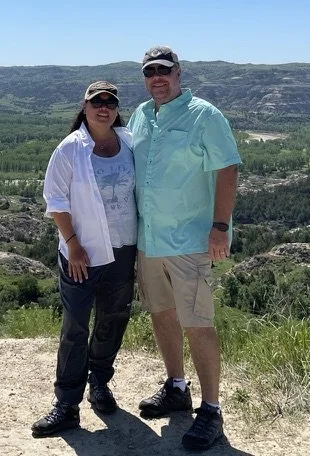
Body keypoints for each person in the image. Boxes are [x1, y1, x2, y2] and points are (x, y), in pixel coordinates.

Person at [127, 46, 242, 452]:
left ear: (179, 73)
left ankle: (211, 409)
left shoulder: (205, 116)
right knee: (161, 315)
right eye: (149, 72)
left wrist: (219, 228)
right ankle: (177, 387)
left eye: (164, 70)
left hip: (190, 240)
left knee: (198, 322)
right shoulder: (142, 115)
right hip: (150, 239)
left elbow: (227, 169)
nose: (157, 77)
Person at [31, 81, 138, 438]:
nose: (103, 107)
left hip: (123, 248)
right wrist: (73, 245)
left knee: (113, 319)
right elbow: (55, 200)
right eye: (97, 101)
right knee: (76, 327)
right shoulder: (70, 149)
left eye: (110, 101)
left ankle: (100, 384)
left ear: (116, 107)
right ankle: (66, 404)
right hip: (83, 253)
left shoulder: (130, 142)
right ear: (86, 106)